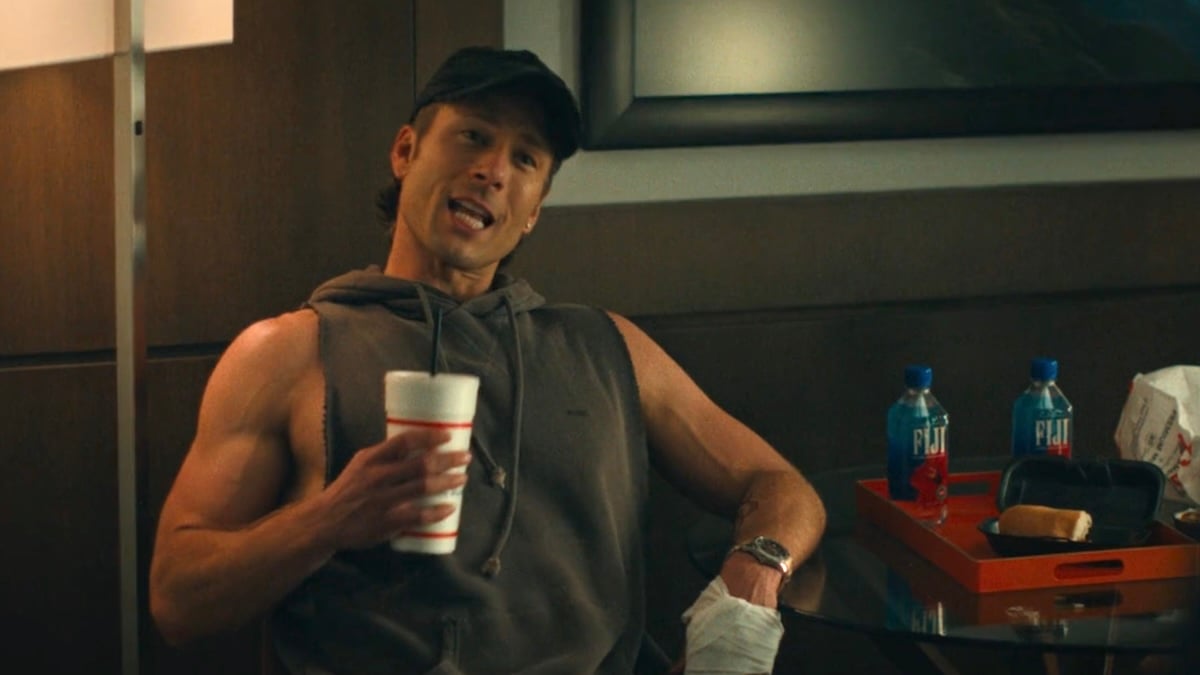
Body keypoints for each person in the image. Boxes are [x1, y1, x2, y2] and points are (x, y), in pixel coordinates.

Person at [148, 46, 826, 674]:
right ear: (406, 151)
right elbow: (177, 599)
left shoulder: (609, 347)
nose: (493, 170)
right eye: (473, 135)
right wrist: (328, 520)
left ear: (534, 211)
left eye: (525, 159)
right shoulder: (289, 352)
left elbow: (781, 486)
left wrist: (750, 583)